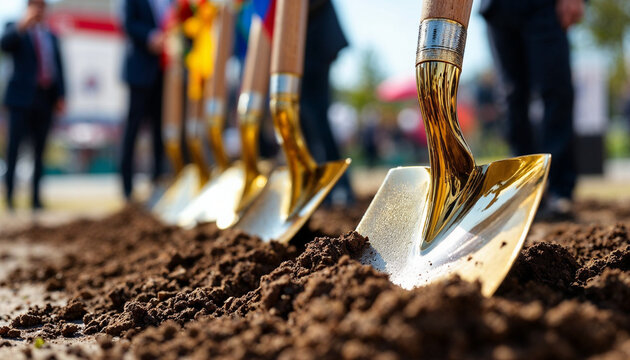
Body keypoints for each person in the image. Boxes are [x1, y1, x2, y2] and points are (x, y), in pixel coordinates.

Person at [481, 0, 584, 218]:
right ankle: (524, 188)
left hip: (544, 6)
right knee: (511, 97)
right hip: (499, 8)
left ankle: (559, 190)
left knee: (555, 89)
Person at [1, 0, 65, 211]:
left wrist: (61, 96)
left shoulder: (52, 35)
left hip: (44, 99)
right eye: (35, 5)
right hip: (21, 99)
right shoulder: (15, 27)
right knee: (14, 148)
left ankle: (36, 199)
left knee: (40, 151)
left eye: (42, 6)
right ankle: (10, 197)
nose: (39, 10)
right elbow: (5, 45)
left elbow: (58, 68)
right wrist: (23, 24)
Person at [301, 0, 354, 206]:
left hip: (316, 46)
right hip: (302, 48)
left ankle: (338, 187)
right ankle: (322, 188)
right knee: (306, 122)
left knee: (318, 121)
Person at [120, 0, 172, 200]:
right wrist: (151, 36)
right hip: (140, 72)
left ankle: (157, 182)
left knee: (159, 129)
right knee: (133, 129)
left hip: (163, 72)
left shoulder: (170, 3)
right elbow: (128, 23)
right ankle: (127, 188)